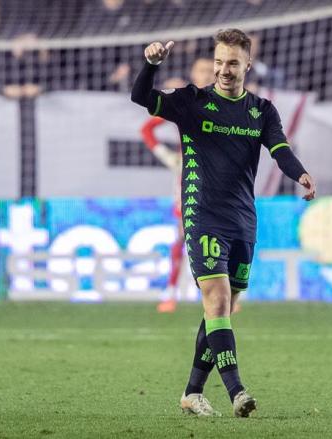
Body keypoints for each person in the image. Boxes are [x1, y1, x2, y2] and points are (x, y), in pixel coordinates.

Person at [131, 28, 316, 418]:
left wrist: (298, 173)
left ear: (248, 64)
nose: (224, 70)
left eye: (232, 62)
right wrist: (150, 66)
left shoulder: (262, 110)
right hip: (202, 215)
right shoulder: (192, 101)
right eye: (219, 62)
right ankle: (237, 390)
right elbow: (141, 98)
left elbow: (280, 149)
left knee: (223, 309)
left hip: (243, 220)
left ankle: (192, 392)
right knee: (216, 300)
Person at [140, 57, 214, 313]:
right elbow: (147, 129)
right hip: (189, 173)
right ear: (193, 74)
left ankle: (225, 291)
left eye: (209, 70)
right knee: (184, 234)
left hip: (219, 174)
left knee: (223, 231)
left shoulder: (225, 102)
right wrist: (168, 156)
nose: (206, 74)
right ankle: (170, 291)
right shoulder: (183, 101)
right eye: (200, 70)